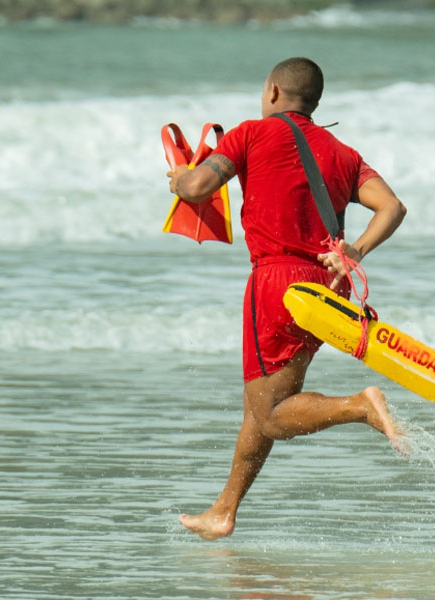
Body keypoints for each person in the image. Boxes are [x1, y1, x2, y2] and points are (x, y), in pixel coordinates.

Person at [166, 57, 408, 541]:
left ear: (274, 91)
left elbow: (196, 187)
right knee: (260, 406)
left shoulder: (251, 133)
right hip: (323, 288)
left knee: (273, 416)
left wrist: (176, 180)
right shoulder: (342, 151)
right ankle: (224, 510)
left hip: (275, 284)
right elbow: (392, 207)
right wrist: (354, 251)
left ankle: (360, 406)